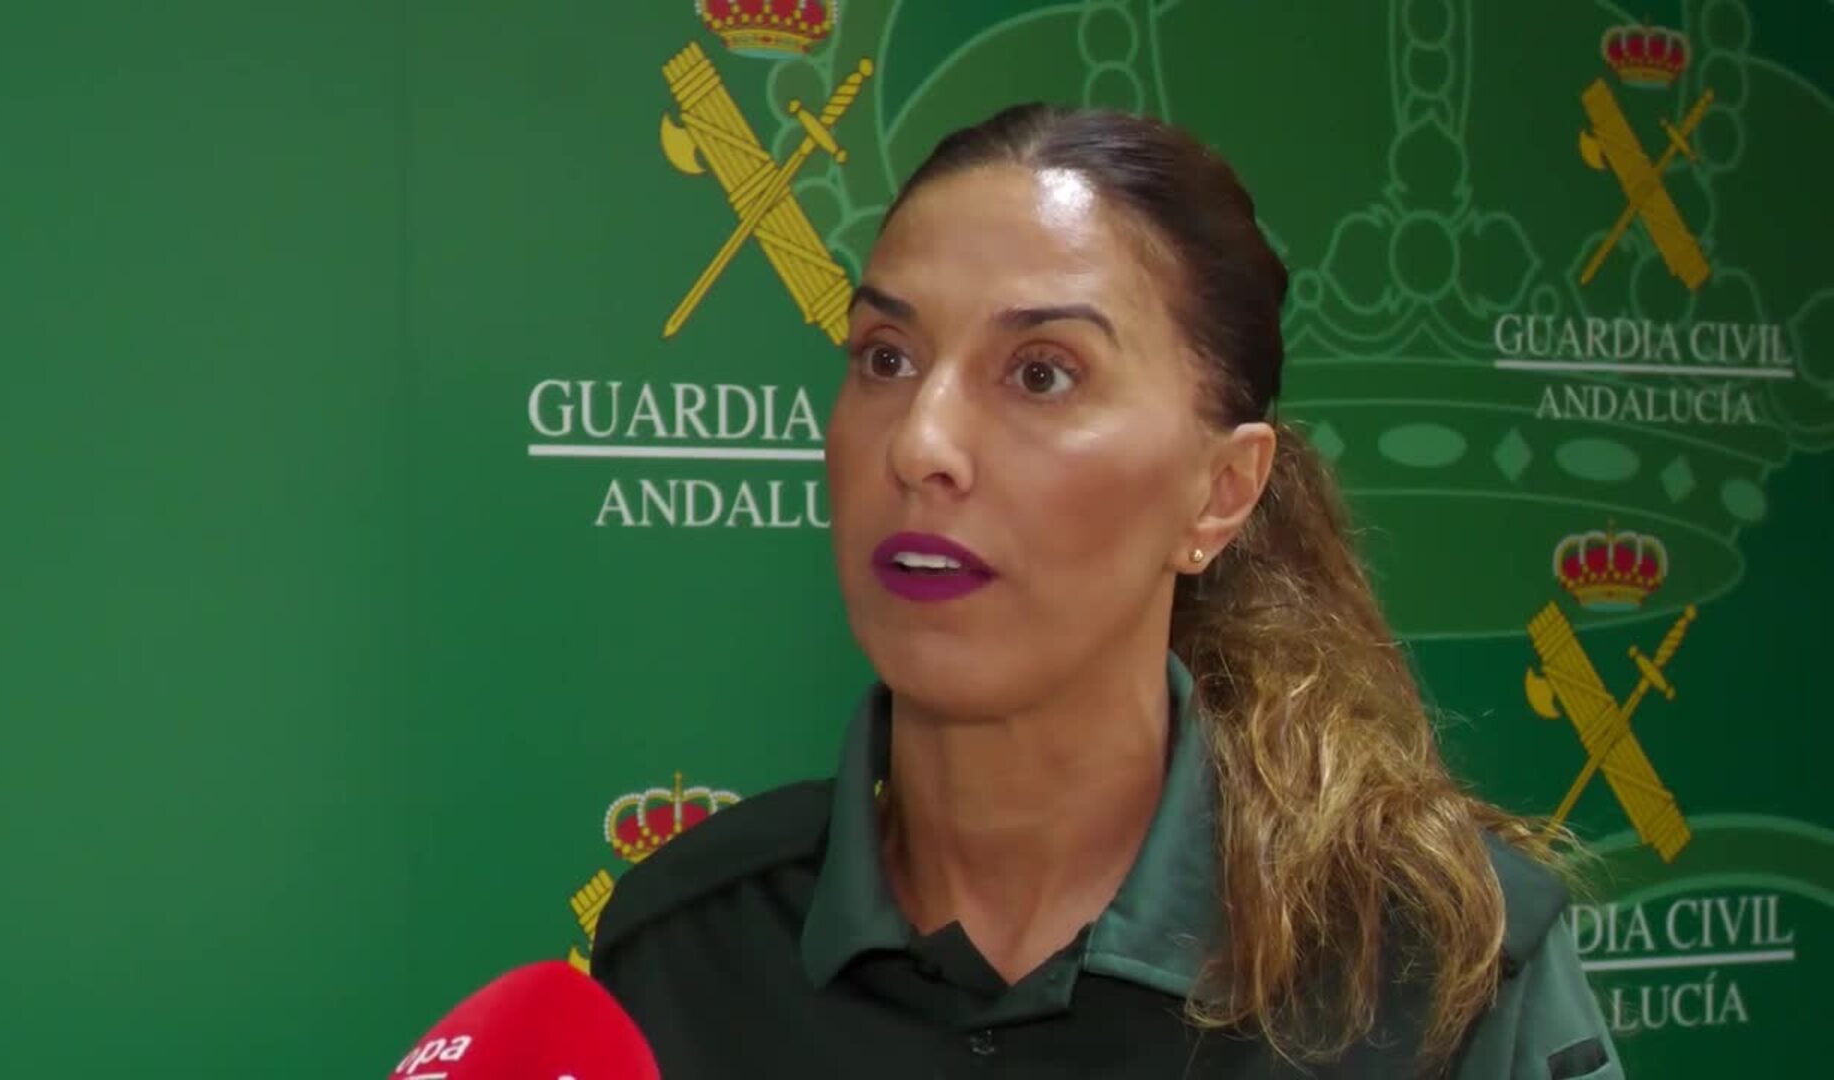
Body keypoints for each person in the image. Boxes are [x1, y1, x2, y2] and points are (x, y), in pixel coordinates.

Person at [591, 103, 1621, 1079]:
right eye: (886, 357)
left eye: (1041, 373)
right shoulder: (683, 952)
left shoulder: (1437, 965)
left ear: (1221, 493)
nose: (920, 443)